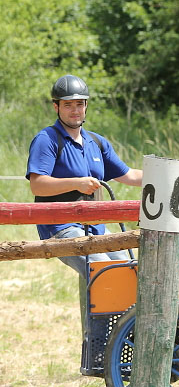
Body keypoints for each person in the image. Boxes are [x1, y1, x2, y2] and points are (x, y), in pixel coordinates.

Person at [26, 75, 144, 275]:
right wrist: (76, 183)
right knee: (105, 272)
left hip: (95, 227)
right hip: (60, 227)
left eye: (79, 104)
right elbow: (37, 185)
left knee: (128, 269)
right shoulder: (46, 139)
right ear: (56, 107)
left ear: (86, 106)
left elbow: (130, 175)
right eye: (68, 105)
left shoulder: (97, 142)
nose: (75, 110)